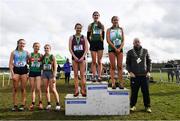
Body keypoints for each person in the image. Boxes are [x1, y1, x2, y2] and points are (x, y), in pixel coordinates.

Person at [126, 38, 152, 113]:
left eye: (138, 42)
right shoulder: (130, 52)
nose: (137, 43)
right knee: (134, 92)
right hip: (134, 76)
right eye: (135, 42)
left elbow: (149, 62)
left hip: (144, 76)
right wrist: (130, 72)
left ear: (140, 43)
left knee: (146, 92)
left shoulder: (145, 51)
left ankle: (147, 106)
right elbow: (127, 63)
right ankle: (132, 106)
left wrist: (149, 71)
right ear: (133, 43)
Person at [69, 23, 88, 97]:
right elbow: (70, 48)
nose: (79, 29)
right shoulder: (71, 37)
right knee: (76, 75)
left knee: (82, 75)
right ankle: (76, 90)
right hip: (74, 58)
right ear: (75, 28)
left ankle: (83, 90)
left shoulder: (84, 37)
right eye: (77, 28)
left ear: (81, 29)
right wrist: (74, 56)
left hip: (82, 58)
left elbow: (86, 48)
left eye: (80, 28)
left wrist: (83, 57)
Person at [9, 39, 28, 111]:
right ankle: (15, 104)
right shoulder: (13, 52)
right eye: (21, 43)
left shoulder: (26, 52)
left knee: (23, 89)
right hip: (16, 70)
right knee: (15, 89)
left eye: (23, 43)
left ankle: (22, 104)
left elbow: (30, 60)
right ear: (18, 44)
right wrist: (12, 74)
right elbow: (10, 64)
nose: (22, 45)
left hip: (24, 70)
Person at [106, 16, 125, 89]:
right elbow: (108, 40)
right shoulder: (109, 30)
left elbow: (123, 40)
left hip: (120, 49)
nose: (115, 21)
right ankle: (113, 83)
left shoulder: (121, 29)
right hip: (112, 49)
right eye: (114, 20)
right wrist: (114, 48)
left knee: (120, 66)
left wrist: (119, 48)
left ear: (118, 21)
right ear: (112, 21)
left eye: (116, 20)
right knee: (113, 66)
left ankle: (121, 83)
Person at [87, 11, 105, 82]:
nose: (96, 16)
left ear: (99, 16)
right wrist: (91, 43)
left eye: (97, 15)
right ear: (93, 16)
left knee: (99, 61)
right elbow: (88, 36)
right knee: (94, 61)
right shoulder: (90, 25)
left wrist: (100, 41)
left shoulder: (102, 25)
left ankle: (99, 76)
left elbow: (103, 36)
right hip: (93, 43)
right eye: (95, 15)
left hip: (100, 43)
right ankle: (94, 76)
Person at [42, 44, 60, 111]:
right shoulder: (43, 57)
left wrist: (54, 76)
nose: (46, 49)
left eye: (47, 48)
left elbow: (55, 67)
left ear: (50, 49)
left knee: (53, 89)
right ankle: (49, 104)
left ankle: (58, 104)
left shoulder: (52, 56)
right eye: (45, 48)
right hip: (44, 73)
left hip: (51, 73)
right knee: (46, 89)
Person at [28, 42, 43, 110]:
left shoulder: (41, 55)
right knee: (32, 89)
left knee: (38, 88)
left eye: (38, 46)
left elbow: (43, 63)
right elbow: (28, 62)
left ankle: (40, 103)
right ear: (33, 47)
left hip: (38, 72)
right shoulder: (30, 55)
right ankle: (32, 103)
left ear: (39, 48)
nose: (36, 47)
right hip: (31, 72)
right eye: (35, 46)